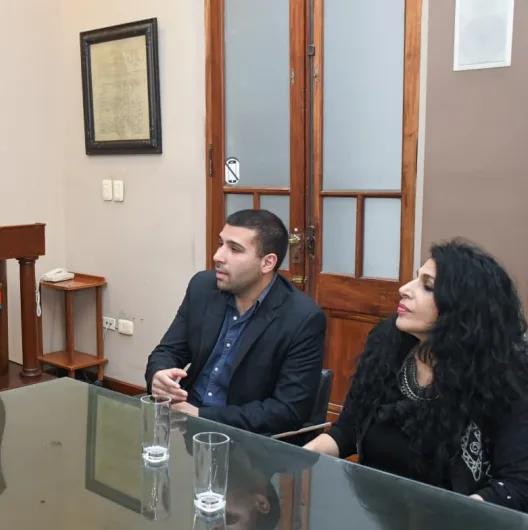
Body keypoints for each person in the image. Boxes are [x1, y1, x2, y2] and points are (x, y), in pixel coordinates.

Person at [305, 240, 528, 511]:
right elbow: (348, 430)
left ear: (463, 310)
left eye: (428, 285)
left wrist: (460, 517)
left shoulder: (507, 375)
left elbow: (515, 485)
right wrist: (296, 460)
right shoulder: (387, 343)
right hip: (376, 512)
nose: (404, 289)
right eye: (415, 278)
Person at [145, 209, 325, 435]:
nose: (218, 256)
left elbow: (288, 410)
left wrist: (202, 416)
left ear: (267, 263)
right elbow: (168, 350)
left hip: (247, 440)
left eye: (235, 249)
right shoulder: (203, 286)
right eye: (221, 244)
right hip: (183, 426)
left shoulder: (302, 317)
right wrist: (159, 375)